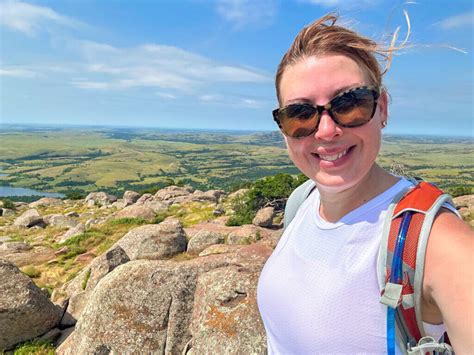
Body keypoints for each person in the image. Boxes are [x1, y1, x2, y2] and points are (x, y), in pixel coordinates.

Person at [256, 13, 473, 354]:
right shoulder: (303, 202)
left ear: (382, 108)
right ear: (282, 126)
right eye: (301, 114)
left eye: (350, 104)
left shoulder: (436, 243)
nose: (326, 131)